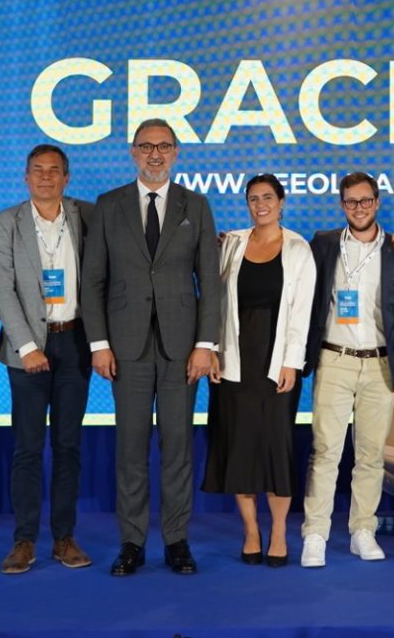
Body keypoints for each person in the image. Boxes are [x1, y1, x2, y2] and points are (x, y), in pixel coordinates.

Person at [82, 118, 222, 576]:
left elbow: (210, 281)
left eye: (163, 146)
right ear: (133, 152)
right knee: (131, 448)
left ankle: (177, 541)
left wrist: (205, 345)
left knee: (178, 447)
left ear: (176, 152)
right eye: (146, 146)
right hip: (126, 348)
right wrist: (99, 343)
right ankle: (132, 542)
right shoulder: (109, 205)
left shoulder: (195, 205)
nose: (155, 154)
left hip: (183, 349)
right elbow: (93, 281)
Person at [298, 172, 394, 568]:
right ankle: (315, 533)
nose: (359, 208)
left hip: (380, 363)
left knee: (371, 455)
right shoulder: (324, 243)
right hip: (334, 359)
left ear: (378, 202)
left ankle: (362, 530)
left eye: (366, 201)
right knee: (325, 452)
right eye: (351, 201)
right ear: (341, 204)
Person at [0, 145, 95, 574]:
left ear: (66, 178)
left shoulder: (89, 216)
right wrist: (27, 346)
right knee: (28, 448)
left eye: (54, 171)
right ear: (26, 177)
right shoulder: (6, 222)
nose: (46, 177)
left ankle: (64, 538)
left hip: (75, 343)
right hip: (27, 348)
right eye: (38, 170)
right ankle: (24, 540)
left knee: (68, 446)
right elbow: (2, 288)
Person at [203, 174, 316, 566]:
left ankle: (279, 530)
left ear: (281, 202)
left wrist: (291, 362)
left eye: (268, 197)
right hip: (233, 361)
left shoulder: (298, 248)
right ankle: (251, 530)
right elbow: (214, 302)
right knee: (240, 447)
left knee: (276, 448)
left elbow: (302, 311)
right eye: (253, 198)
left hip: (276, 363)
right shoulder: (231, 243)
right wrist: (211, 349)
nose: (261, 204)